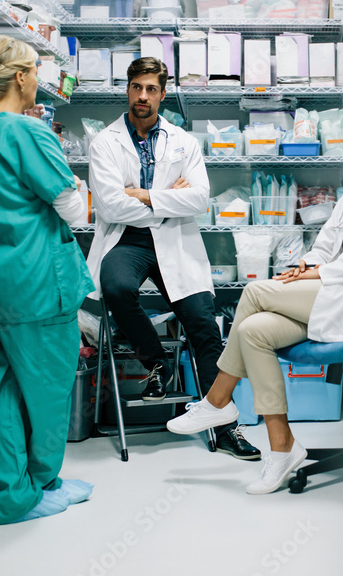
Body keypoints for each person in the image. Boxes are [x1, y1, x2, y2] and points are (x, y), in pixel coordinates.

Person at [167, 108, 343, 494]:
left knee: (254, 291)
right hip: (332, 294)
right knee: (253, 331)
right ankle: (282, 446)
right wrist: (306, 263)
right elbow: (325, 244)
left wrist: (319, 273)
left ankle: (218, 399)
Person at [85, 57, 259, 460]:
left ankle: (226, 424)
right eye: (136, 87)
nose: (142, 96)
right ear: (127, 90)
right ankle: (157, 361)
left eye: (150, 89)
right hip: (126, 240)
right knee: (115, 286)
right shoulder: (105, 142)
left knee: (203, 325)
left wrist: (143, 194)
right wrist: (170, 199)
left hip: (176, 241)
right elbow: (111, 208)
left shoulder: (183, 141)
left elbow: (199, 199)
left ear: (163, 94)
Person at [0, 35, 95, 524]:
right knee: (49, 391)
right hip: (40, 287)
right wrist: (81, 186)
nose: (41, 80)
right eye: (37, 71)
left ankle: (13, 495)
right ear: (20, 77)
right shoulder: (32, 133)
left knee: (4, 390)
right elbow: (74, 212)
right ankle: (44, 485)